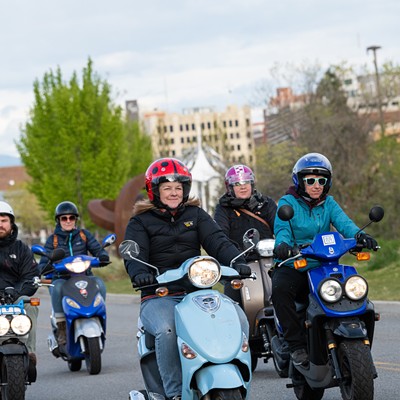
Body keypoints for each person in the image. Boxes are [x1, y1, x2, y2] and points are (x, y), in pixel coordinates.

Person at [124, 157, 251, 400]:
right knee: (167, 328)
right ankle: (174, 393)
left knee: (239, 319)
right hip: (158, 294)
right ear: (154, 190)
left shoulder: (196, 214)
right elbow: (135, 253)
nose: (173, 193)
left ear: (186, 189)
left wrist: (237, 261)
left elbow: (217, 241)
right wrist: (140, 274)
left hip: (197, 293)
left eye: (178, 188)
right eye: (167, 188)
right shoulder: (140, 221)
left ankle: (237, 376)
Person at [271, 152, 378, 367]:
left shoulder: (329, 203)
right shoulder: (287, 202)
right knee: (280, 289)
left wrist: (360, 236)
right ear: (299, 181)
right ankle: (296, 345)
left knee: (354, 288)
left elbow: (345, 223)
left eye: (322, 180)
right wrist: (283, 246)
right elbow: (282, 230)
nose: (316, 185)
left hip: (324, 265)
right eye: (310, 180)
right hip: (296, 264)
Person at [38, 201, 110, 346]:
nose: (68, 221)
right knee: (56, 287)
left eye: (71, 217)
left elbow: (97, 249)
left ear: (76, 219)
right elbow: (45, 260)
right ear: (58, 220)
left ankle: (97, 316)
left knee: (100, 284)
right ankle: (61, 327)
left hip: (85, 276)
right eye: (64, 218)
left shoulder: (84, 235)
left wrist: (102, 256)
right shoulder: (53, 240)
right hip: (62, 278)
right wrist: (44, 267)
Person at [214, 164, 277, 303]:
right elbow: (220, 236)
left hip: (270, 260)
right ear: (230, 187)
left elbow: (280, 228)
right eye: (237, 183)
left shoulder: (266, 204)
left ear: (252, 184)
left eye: (246, 182)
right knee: (233, 302)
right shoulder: (223, 209)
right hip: (240, 264)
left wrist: (285, 246)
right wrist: (235, 258)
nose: (243, 186)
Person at [0, 201, 40, 365]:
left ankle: (29, 352)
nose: (0, 224)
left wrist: (15, 292)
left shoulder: (21, 249)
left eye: (3, 220)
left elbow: (31, 276)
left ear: (11, 223)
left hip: (13, 297)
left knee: (30, 304)